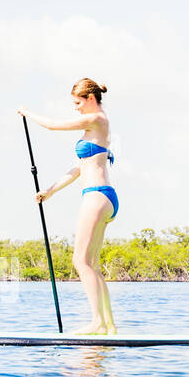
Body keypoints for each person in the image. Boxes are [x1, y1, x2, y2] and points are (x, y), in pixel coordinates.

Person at [17, 78, 118, 336]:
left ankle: (97, 322)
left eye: (78, 103)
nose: (76, 108)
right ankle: (108, 325)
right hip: (103, 196)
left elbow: (52, 126)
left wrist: (27, 113)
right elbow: (79, 168)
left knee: (80, 261)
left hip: (96, 196)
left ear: (91, 99)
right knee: (92, 264)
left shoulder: (96, 119)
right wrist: (50, 191)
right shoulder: (96, 126)